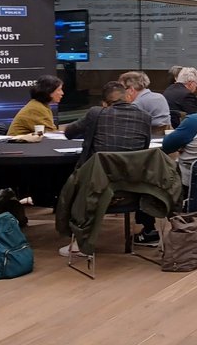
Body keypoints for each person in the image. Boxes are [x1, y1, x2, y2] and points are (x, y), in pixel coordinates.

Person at [60, 79, 158, 246]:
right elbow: (144, 148)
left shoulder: (95, 113)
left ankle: (78, 240)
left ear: (105, 103)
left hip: (96, 188)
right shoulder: (145, 117)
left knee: (71, 179)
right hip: (134, 189)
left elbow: (69, 133)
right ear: (127, 97)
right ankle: (150, 230)